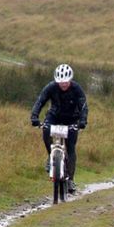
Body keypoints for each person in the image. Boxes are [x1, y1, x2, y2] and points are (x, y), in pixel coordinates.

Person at [31, 64, 88, 193]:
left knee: (71, 148)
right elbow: (40, 101)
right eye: (60, 82)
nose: (63, 84)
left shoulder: (77, 89)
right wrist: (34, 116)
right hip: (54, 116)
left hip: (72, 119)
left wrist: (83, 121)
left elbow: (83, 106)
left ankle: (71, 180)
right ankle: (51, 157)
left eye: (65, 82)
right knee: (45, 130)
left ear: (70, 80)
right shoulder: (51, 87)